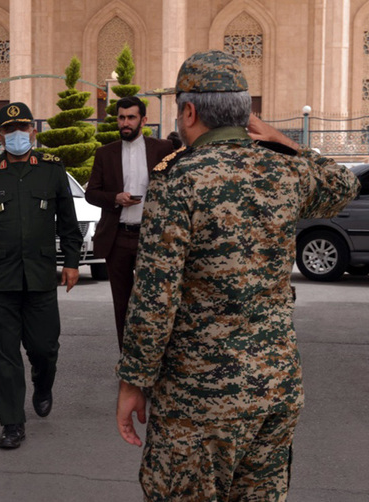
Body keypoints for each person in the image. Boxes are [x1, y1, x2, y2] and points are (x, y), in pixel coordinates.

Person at [115, 50, 360, 500]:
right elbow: (344, 184)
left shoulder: (177, 181)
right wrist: (285, 140)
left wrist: (133, 381)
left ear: (189, 111)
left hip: (198, 400)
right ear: (246, 113)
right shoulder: (286, 173)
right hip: (275, 389)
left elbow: (155, 298)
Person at [0, 102, 83, 450]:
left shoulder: (52, 170)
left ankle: (42, 381)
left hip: (39, 275)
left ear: (33, 132)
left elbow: (68, 223)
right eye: (9, 130)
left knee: (44, 346)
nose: (16, 135)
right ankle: (12, 422)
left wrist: (72, 263)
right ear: (0, 135)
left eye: (22, 129)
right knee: (4, 353)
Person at [85, 96, 175, 351]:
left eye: (131, 117)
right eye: (121, 118)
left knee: (155, 303)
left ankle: (156, 358)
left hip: (153, 239)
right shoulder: (105, 153)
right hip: (118, 238)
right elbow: (91, 193)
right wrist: (115, 198)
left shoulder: (163, 149)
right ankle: (128, 361)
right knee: (122, 305)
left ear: (143, 120)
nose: (125, 123)